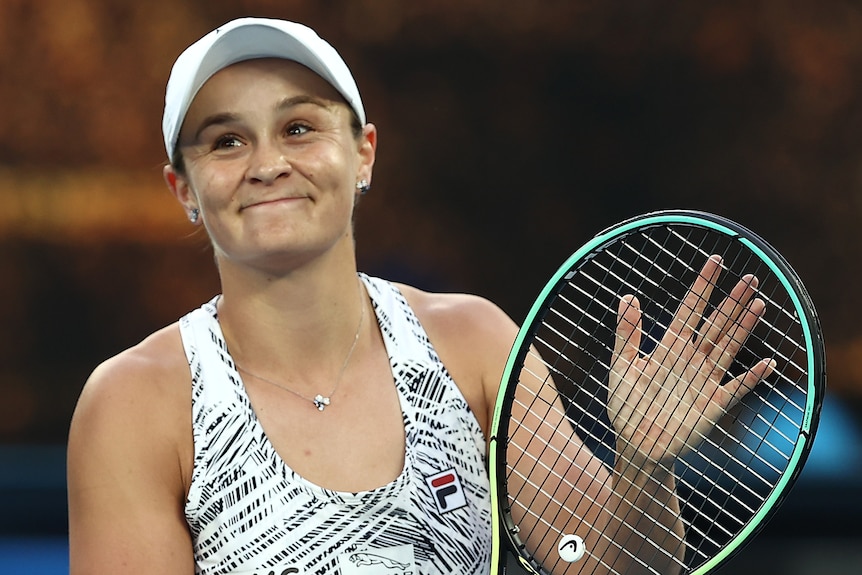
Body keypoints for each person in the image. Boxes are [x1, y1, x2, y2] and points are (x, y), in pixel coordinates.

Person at [67, 17, 772, 575]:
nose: (268, 163)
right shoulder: (133, 404)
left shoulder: (472, 342)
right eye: (226, 141)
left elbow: (612, 569)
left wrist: (643, 469)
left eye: (299, 127)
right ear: (183, 189)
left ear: (364, 152)